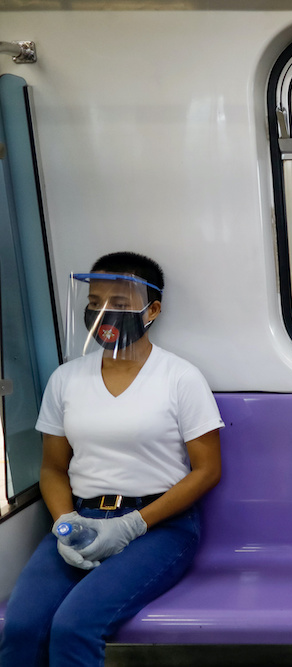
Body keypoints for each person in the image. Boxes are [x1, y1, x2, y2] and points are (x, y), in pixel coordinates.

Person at [0, 251, 224, 667]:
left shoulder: (180, 378)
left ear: (152, 309)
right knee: (21, 629)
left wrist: (133, 524)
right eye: (94, 302)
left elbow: (208, 469)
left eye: (118, 305)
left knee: (75, 626)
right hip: (81, 519)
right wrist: (66, 522)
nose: (103, 313)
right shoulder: (66, 379)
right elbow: (52, 467)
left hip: (159, 526)